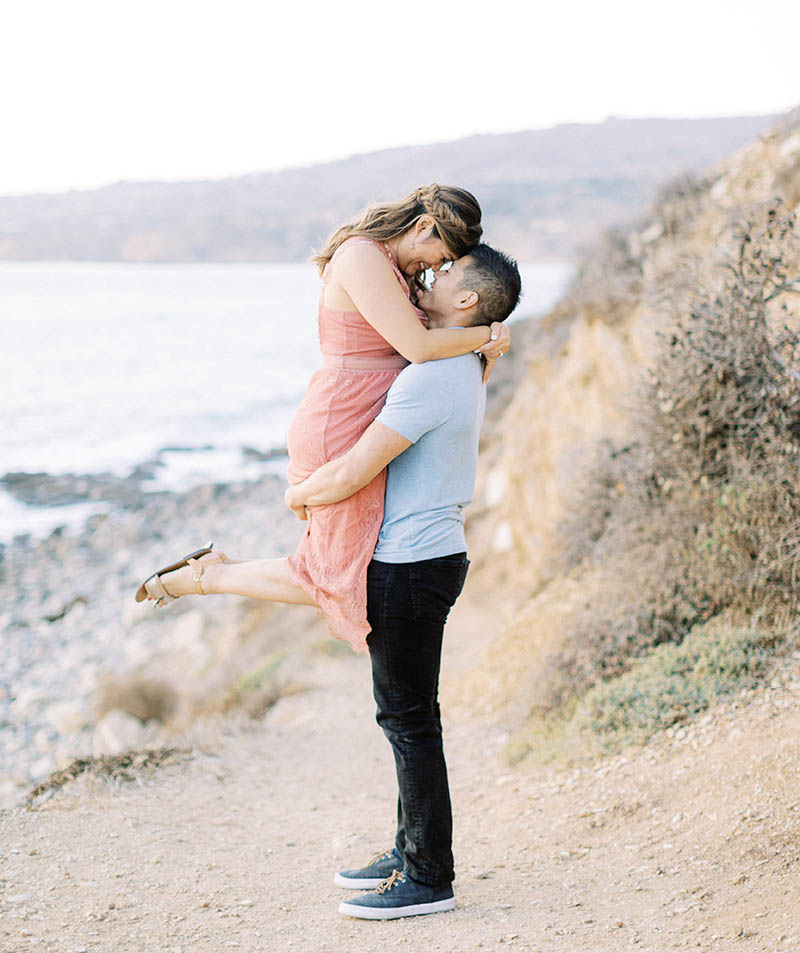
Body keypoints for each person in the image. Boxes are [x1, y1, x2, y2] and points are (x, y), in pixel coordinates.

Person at [240, 244, 522, 919]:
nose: (430, 276)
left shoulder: (435, 374)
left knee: (408, 720)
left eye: (445, 272)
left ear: (466, 302)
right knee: (410, 716)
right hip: (425, 557)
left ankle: (429, 875)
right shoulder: (460, 362)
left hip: (410, 564)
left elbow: (356, 469)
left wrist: (297, 497)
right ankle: (410, 849)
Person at [136, 185, 510, 648]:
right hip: (343, 420)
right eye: (440, 255)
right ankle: (202, 578)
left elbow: (433, 367)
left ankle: (213, 572)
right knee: (333, 572)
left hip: (365, 416)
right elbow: (418, 348)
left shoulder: (389, 268)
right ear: (423, 227)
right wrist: (488, 334)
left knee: (342, 567)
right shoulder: (362, 257)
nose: (435, 270)